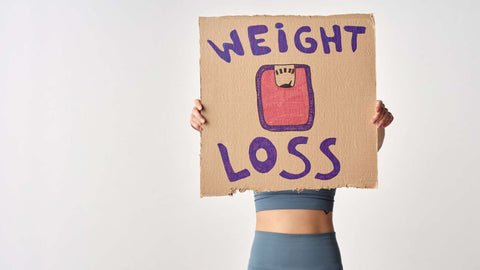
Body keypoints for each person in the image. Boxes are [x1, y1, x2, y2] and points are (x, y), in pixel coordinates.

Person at [190, 99, 394, 270]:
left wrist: (378, 121)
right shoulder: (254, 123)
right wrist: (206, 126)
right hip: (268, 256)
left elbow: (365, 148)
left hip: (319, 255)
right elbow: (221, 154)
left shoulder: (328, 124)